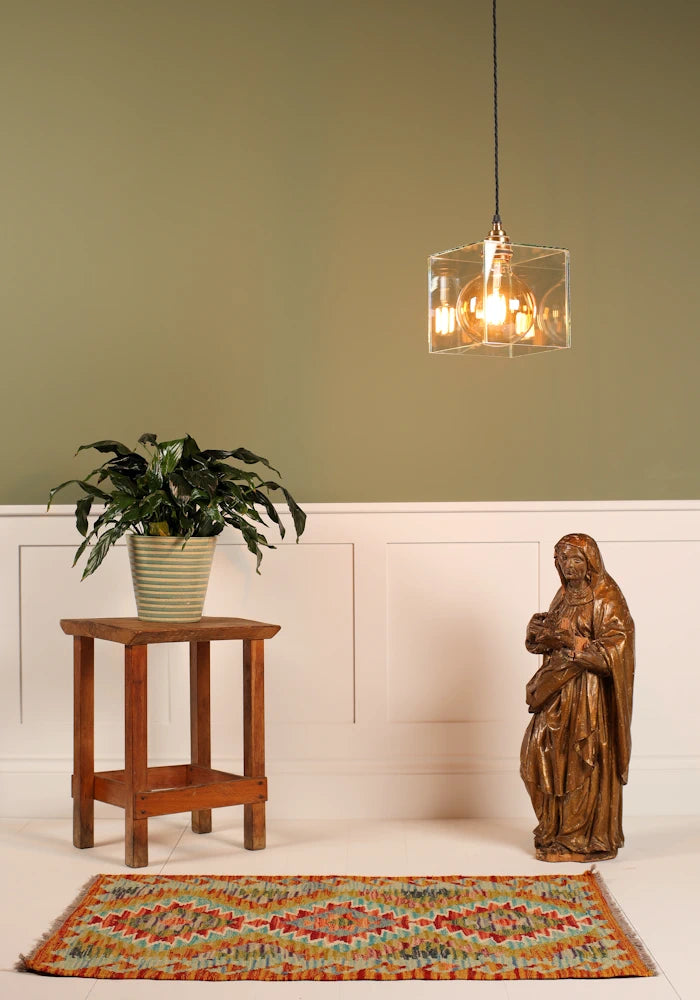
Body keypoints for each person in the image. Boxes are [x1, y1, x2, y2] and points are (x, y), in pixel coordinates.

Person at [520, 533, 635, 861]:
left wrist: (579, 650)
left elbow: (618, 651)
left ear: (590, 563)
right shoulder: (562, 595)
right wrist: (536, 634)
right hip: (555, 693)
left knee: (582, 764)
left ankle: (581, 837)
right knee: (534, 759)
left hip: (589, 697)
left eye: (575, 560)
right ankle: (554, 828)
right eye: (563, 560)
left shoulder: (606, 599)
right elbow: (548, 642)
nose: (568, 566)